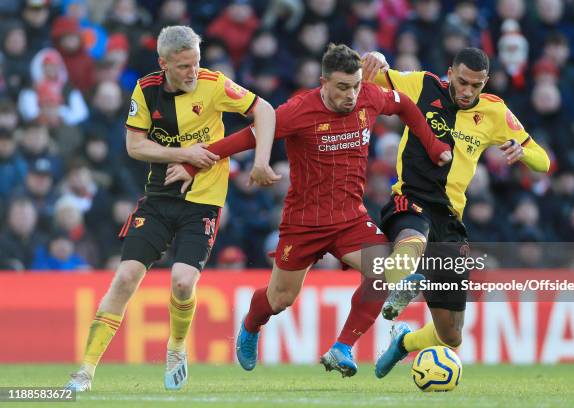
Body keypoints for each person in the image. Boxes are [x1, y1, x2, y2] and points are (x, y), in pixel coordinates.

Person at [166, 43, 452, 377]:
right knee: (280, 298)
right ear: (324, 82)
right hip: (304, 223)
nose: (351, 95)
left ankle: (342, 348)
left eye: (356, 85)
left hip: (350, 218)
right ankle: (251, 324)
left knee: (384, 272)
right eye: (343, 87)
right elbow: (246, 138)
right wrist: (193, 165)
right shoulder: (297, 111)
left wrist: (434, 145)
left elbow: (405, 106)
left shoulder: (370, 97)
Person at [65, 25, 278, 392]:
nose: (192, 72)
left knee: (182, 283)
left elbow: (267, 111)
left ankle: (176, 347)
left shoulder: (215, 84)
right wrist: (184, 154)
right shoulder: (146, 91)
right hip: (160, 198)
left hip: (204, 202)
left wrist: (261, 161)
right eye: (183, 66)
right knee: (126, 277)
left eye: (195, 63)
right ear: (163, 64)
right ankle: (84, 371)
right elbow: (135, 145)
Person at [359, 47, 550, 378]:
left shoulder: (494, 112)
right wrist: (374, 55)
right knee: (413, 238)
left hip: (450, 218)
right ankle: (399, 284)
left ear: (485, 82)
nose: (467, 91)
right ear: (450, 72)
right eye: (461, 82)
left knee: (451, 336)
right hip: (410, 197)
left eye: (476, 85)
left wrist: (523, 152)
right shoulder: (422, 86)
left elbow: (543, 162)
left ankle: (404, 342)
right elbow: (367, 73)